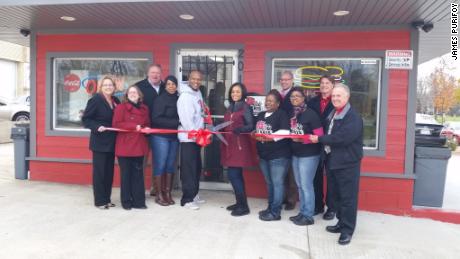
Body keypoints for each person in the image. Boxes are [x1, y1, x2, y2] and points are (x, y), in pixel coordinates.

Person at [310, 83, 363, 245]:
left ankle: (347, 230)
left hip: (347, 163)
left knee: (348, 198)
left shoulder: (352, 116)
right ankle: (340, 223)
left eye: (339, 95)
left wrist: (319, 139)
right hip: (334, 161)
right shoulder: (334, 113)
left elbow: (342, 138)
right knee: (338, 197)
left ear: (347, 97)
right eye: (333, 96)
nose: (335, 98)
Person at [82, 75, 120, 209]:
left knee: (109, 172)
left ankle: (107, 198)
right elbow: (86, 120)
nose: (108, 87)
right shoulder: (96, 100)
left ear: (114, 87)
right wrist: (97, 127)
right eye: (106, 85)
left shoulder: (116, 100)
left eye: (110, 85)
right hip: (99, 142)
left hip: (112, 142)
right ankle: (99, 201)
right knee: (100, 173)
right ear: (101, 87)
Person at [288, 87, 324, 226]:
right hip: (296, 154)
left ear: (303, 98)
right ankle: (302, 212)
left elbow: (320, 136)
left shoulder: (311, 114)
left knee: (306, 185)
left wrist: (303, 140)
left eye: (297, 96)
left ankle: (308, 215)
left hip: (309, 155)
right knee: (300, 185)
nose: (294, 98)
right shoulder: (293, 115)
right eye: (292, 96)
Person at [254, 90, 291, 221]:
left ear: (278, 103)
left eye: (271, 101)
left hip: (279, 155)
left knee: (277, 184)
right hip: (264, 155)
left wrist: (270, 138)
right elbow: (257, 129)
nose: (267, 103)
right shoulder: (261, 114)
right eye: (266, 100)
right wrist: (255, 133)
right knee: (270, 183)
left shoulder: (282, 114)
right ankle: (270, 208)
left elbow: (285, 131)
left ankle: (276, 212)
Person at [112, 85, 151, 210]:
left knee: (138, 175)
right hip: (125, 146)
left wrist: (147, 129)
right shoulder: (121, 108)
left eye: (135, 92)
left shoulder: (145, 108)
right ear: (127, 95)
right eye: (130, 92)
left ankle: (139, 202)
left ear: (139, 95)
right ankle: (126, 202)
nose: (133, 94)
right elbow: (116, 124)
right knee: (126, 175)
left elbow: (147, 124)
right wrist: (134, 126)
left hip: (139, 145)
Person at [220, 82, 256, 216]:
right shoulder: (231, 107)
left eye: (238, 92)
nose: (235, 94)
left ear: (243, 94)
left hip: (240, 145)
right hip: (230, 144)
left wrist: (240, 129)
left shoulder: (245, 107)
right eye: (233, 92)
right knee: (235, 175)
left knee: (234, 175)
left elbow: (251, 125)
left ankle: (243, 206)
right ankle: (240, 203)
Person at [307, 75, 336, 219]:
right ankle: (318, 205)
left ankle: (331, 208)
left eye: (327, 83)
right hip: (315, 144)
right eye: (322, 83)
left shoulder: (337, 101)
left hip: (331, 145)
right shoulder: (312, 102)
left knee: (331, 177)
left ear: (332, 85)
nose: (324, 85)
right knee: (316, 177)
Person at [177, 70, 206, 210]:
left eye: (199, 79)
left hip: (197, 138)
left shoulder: (197, 92)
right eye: (193, 79)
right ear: (188, 79)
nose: (196, 81)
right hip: (189, 138)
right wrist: (196, 134)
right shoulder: (185, 97)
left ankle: (194, 194)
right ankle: (187, 199)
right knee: (188, 169)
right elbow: (187, 120)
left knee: (196, 167)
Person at [135, 64, 164, 197]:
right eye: (152, 72)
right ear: (148, 73)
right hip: (143, 131)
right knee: (142, 160)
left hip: (160, 131)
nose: (155, 75)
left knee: (158, 160)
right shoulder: (139, 87)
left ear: (161, 74)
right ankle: (138, 189)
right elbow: (132, 107)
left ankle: (155, 187)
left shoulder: (166, 87)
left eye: (157, 73)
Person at [151, 75, 180, 206]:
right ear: (165, 85)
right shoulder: (160, 99)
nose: (171, 86)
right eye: (168, 84)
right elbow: (156, 119)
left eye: (173, 84)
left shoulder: (179, 99)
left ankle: (167, 192)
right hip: (160, 137)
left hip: (174, 137)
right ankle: (158, 195)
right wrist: (176, 123)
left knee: (170, 165)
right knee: (161, 164)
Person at [278, 71, 298, 211]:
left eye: (287, 79)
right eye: (282, 79)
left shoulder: (295, 94)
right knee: (283, 170)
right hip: (280, 137)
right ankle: (284, 197)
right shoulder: (279, 95)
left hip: (292, 137)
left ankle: (291, 200)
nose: (284, 82)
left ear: (292, 80)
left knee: (291, 172)